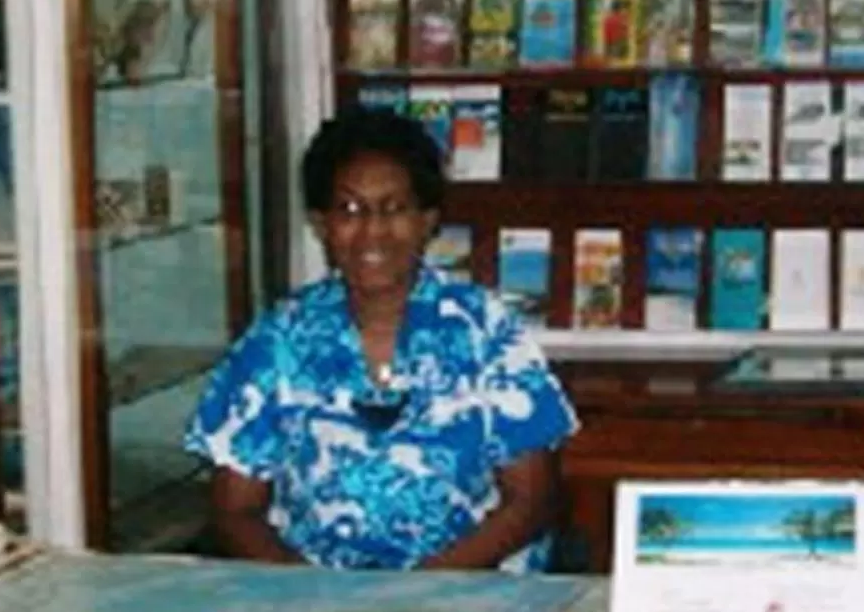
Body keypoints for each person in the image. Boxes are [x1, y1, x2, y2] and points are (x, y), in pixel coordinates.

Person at [186, 106, 576, 570]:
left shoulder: (485, 332)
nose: (373, 231)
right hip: (314, 596)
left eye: (395, 208)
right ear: (321, 224)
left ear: (428, 220)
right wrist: (312, 593)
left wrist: (422, 589)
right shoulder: (278, 340)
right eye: (350, 209)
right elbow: (237, 510)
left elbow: (531, 501)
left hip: (468, 591)